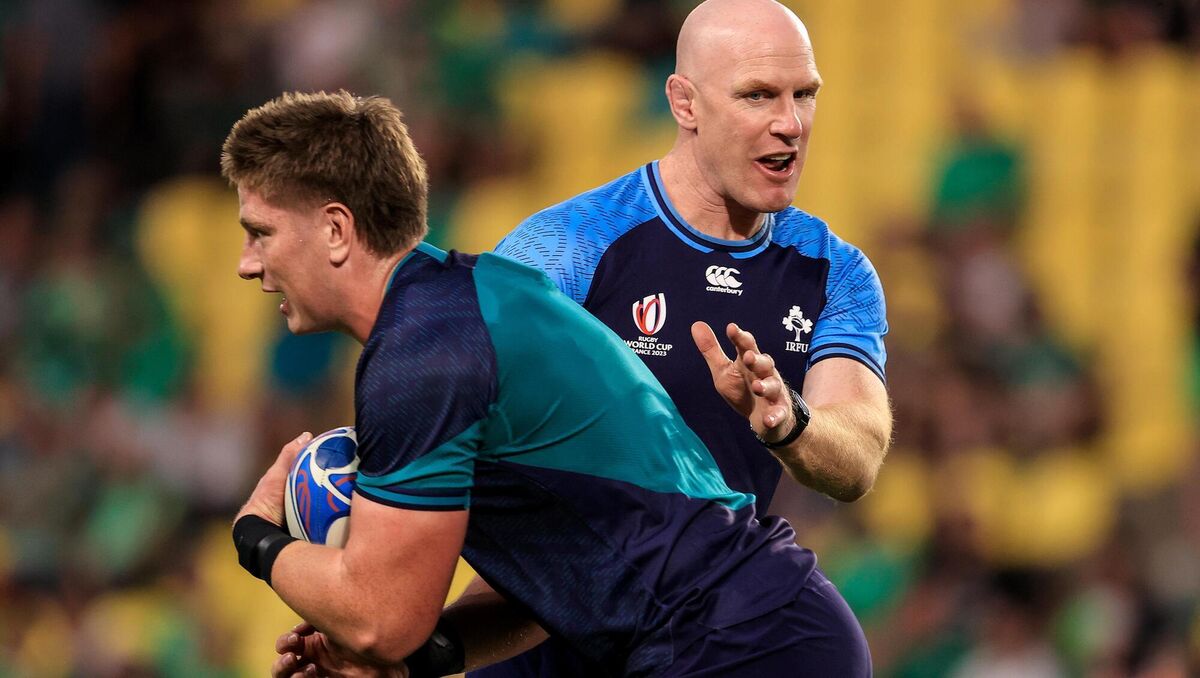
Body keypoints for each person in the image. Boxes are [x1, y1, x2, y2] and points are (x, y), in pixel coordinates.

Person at [227, 89, 869, 678]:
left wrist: (258, 538)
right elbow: (555, 578)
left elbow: (380, 621)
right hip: (751, 633)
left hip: (738, 645)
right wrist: (416, 655)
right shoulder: (476, 301)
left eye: (262, 233)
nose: (246, 263)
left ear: (337, 230)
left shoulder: (424, 355)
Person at [466, 0, 893, 675]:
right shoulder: (564, 252)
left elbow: (859, 457)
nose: (790, 123)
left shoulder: (833, 272)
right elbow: (461, 440)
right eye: (758, 95)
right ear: (685, 103)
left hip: (706, 639)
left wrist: (789, 422)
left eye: (803, 95)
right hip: (549, 637)